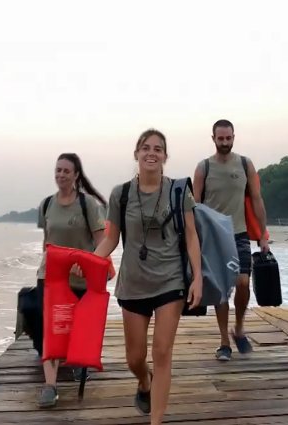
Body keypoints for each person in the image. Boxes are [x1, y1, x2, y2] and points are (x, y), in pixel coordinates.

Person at [92, 129, 202, 424]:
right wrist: (91, 261)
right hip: (133, 283)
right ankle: (144, 381)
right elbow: (111, 239)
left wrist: (198, 278)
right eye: (145, 148)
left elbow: (192, 237)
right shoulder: (121, 194)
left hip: (171, 281)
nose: (151, 153)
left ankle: (156, 420)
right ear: (136, 153)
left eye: (158, 149)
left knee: (162, 352)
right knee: (134, 358)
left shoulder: (179, 191)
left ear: (165, 156)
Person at [192, 119, 269, 361]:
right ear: (213, 138)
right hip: (213, 237)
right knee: (222, 291)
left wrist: (263, 235)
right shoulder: (203, 167)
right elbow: (194, 206)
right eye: (220, 138)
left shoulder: (245, 164)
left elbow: (257, 200)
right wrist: (194, 240)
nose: (224, 142)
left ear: (234, 137)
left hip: (239, 233)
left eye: (228, 138)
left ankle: (239, 327)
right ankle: (224, 341)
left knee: (243, 282)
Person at [35, 153, 107, 408]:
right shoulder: (46, 205)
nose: (61, 175)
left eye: (66, 171)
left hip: (80, 279)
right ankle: (50, 386)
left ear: (76, 175)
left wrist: (89, 266)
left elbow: (102, 244)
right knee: (51, 330)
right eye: (58, 170)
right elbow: (47, 242)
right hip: (51, 278)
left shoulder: (88, 206)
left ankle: (78, 363)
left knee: (76, 329)